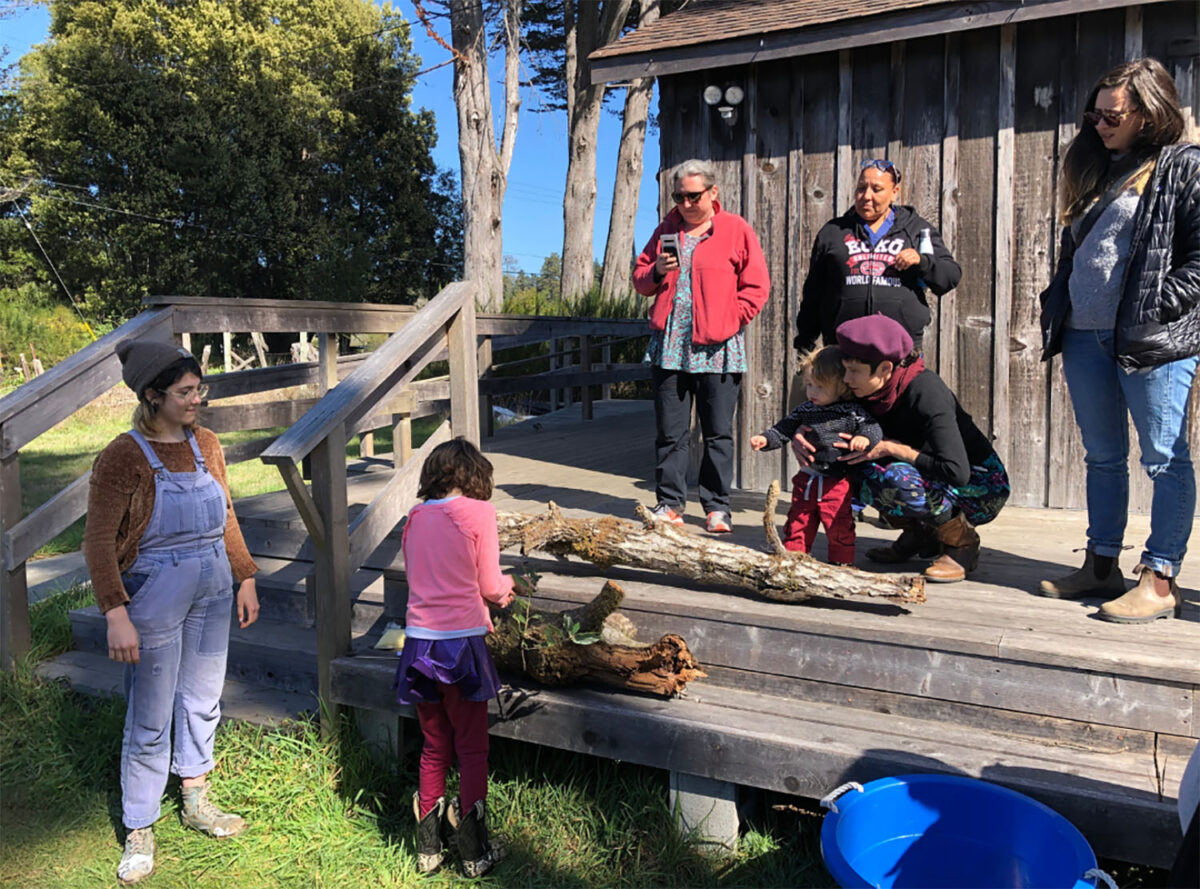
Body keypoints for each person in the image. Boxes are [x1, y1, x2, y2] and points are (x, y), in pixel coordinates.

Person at [82, 340, 260, 886]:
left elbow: (225, 512)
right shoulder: (124, 454)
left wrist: (245, 574)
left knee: (203, 697)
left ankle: (195, 797)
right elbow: (97, 541)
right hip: (155, 591)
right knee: (151, 712)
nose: (197, 400)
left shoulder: (207, 443)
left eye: (198, 389)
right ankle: (139, 826)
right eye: (185, 392)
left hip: (211, 584)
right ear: (152, 395)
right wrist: (115, 611)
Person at [1038, 57, 1199, 623]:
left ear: (1149, 113)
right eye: (1096, 114)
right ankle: (1101, 562)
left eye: (1113, 115)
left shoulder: (1181, 166)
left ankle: (1160, 578)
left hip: (1149, 338)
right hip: (1084, 333)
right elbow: (1076, 248)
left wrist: (1162, 303)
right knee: (1103, 457)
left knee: (1163, 458)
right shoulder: (1097, 167)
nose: (1100, 124)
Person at [394, 437, 518, 878]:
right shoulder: (480, 512)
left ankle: (428, 848)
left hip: (419, 643)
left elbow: (415, 575)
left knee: (433, 746)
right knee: (471, 747)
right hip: (461, 645)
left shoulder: (415, 517)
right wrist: (506, 590)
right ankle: (473, 851)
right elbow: (488, 583)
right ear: (474, 476)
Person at [818, 314, 1010, 583]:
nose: (846, 379)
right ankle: (920, 535)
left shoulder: (925, 392)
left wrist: (898, 450)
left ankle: (961, 543)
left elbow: (957, 471)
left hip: (981, 486)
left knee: (895, 477)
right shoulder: (870, 390)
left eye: (854, 371)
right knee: (856, 462)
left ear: (885, 368)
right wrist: (801, 433)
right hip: (928, 476)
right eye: (845, 369)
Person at [633, 158, 770, 534]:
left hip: (718, 349)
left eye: (693, 196)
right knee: (670, 432)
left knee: (717, 433)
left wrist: (732, 318)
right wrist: (657, 270)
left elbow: (757, 286)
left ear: (713, 193)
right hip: (670, 347)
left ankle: (717, 508)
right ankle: (670, 503)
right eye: (679, 196)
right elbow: (641, 280)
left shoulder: (735, 229)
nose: (685, 204)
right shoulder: (667, 229)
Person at [795, 158, 961, 355]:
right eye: (861, 188)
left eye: (877, 189)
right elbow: (814, 292)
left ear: (894, 193)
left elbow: (950, 276)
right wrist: (805, 341)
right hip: (843, 350)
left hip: (900, 352)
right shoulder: (833, 232)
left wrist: (921, 261)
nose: (866, 196)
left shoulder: (916, 230)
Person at [750, 346, 882, 564]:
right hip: (807, 478)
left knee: (838, 524)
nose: (812, 392)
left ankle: (842, 562)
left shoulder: (851, 411)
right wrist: (765, 439)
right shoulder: (806, 410)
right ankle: (793, 559)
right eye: (810, 385)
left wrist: (865, 439)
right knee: (798, 520)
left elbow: (872, 427)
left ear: (841, 386)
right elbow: (784, 428)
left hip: (837, 482)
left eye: (820, 387)